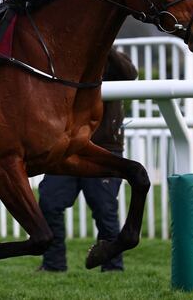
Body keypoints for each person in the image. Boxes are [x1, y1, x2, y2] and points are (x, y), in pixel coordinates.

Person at [37, 48, 138, 272]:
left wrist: (105, 46)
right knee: (49, 202)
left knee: (105, 210)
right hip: (66, 147)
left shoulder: (112, 61)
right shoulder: (65, 57)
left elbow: (130, 74)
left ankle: (112, 267)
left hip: (104, 147)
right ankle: (53, 265)